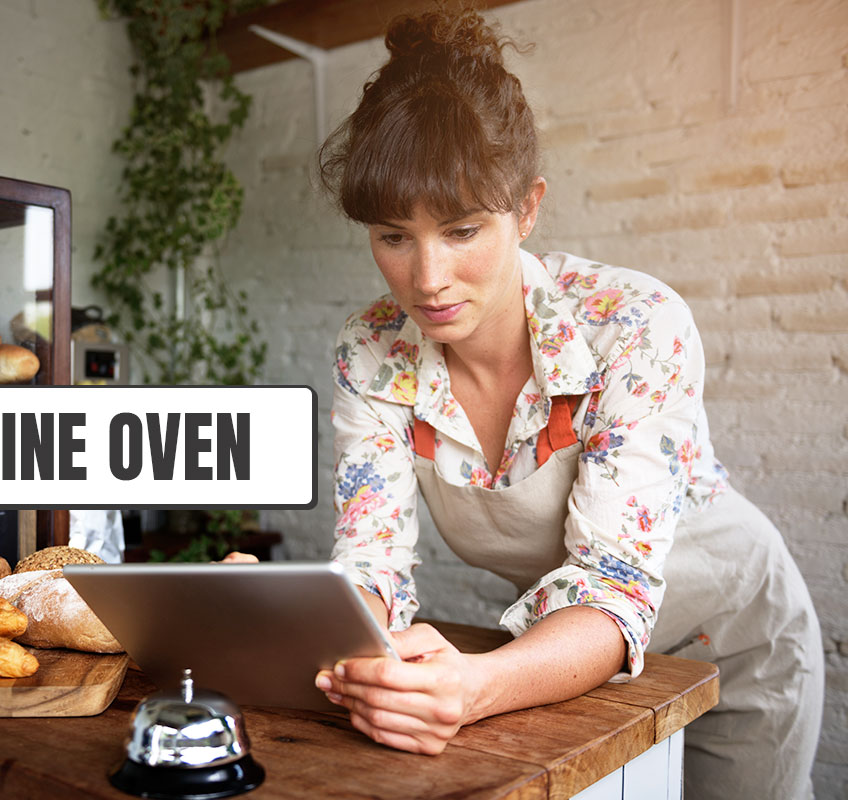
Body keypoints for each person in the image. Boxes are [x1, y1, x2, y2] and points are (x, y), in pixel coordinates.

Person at [297, 7, 823, 799]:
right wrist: (337, 631)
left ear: (528, 208)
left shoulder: (635, 328)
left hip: (736, 641)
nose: (428, 277)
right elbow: (372, 557)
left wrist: (473, 687)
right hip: (561, 652)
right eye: (393, 236)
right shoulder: (370, 351)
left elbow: (612, 580)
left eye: (463, 229)